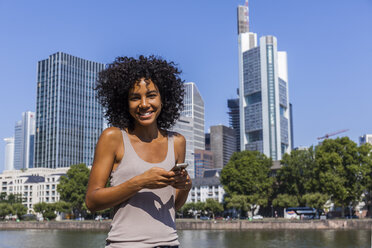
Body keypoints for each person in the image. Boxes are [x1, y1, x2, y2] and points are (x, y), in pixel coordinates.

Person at [85, 55, 192, 248]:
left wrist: (185, 186)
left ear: (163, 98)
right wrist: (141, 181)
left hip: (170, 244)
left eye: (151, 95)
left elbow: (172, 206)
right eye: (135, 97)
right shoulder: (113, 137)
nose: (144, 104)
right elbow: (92, 201)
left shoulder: (177, 142)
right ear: (125, 103)